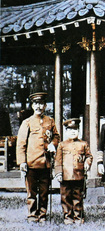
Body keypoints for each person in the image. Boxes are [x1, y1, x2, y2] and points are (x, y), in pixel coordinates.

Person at [16, 92, 60, 224]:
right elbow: (21, 144)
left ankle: (42, 215)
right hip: (31, 163)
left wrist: (53, 144)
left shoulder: (50, 121)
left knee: (44, 192)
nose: (39, 106)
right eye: (36, 104)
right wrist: (22, 162)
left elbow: (56, 136)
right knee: (32, 192)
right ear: (32, 105)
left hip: (45, 163)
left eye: (41, 104)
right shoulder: (27, 122)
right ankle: (32, 215)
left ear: (45, 106)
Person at [55, 118, 93, 225]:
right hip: (65, 177)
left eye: (75, 129)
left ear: (79, 131)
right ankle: (68, 217)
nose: (73, 132)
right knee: (65, 198)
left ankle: (78, 216)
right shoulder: (62, 145)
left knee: (78, 197)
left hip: (78, 175)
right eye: (70, 129)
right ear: (66, 131)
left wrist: (87, 163)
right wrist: (58, 173)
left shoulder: (83, 144)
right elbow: (58, 161)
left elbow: (89, 156)